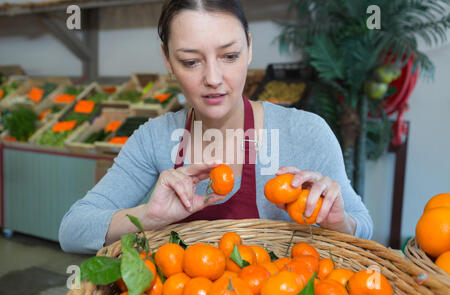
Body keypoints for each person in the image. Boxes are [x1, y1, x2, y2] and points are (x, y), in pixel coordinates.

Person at [59, 0, 373, 254]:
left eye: (229, 55)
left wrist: (338, 222)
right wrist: (148, 218)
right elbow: (72, 230)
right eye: (190, 61)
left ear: (249, 49)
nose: (212, 78)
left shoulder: (304, 132)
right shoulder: (154, 138)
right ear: (167, 60)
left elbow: (365, 225)